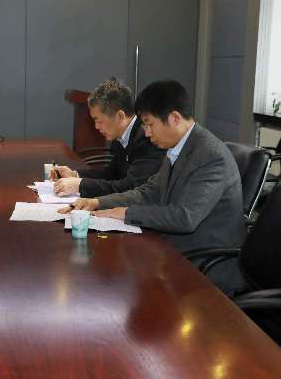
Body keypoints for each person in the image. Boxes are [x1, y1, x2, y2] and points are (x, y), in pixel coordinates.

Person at [60, 80, 244, 293]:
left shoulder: (210, 156)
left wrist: (126, 213)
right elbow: (149, 191)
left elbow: (185, 218)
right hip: (174, 249)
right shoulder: (178, 147)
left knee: (114, 277)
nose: (146, 133)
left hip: (204, 266)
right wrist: (98, 203)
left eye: (149, 124)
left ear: (174, 118)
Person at [53, 78, 164, 197]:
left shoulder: (147, 138)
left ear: (120, 116)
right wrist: (75, 175)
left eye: (99, 121)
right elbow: (112, 174)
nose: (96, 127)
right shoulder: (120, 135)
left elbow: (131, 187)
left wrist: (80, 185)